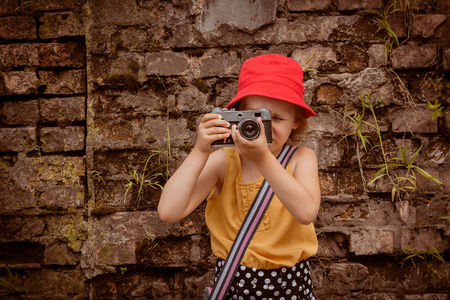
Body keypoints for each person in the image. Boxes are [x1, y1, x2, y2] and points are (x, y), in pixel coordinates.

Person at [158, 54, 320, 299]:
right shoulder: (224, 160)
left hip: (291, 284)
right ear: (236, 116)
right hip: (235, 282)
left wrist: (262, 158)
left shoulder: (301, 158)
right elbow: (169, 211)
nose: (265, 126)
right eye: (255, 117)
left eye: (276, 118)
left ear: (296, 121)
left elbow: (306, 212)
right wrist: (200, 150)